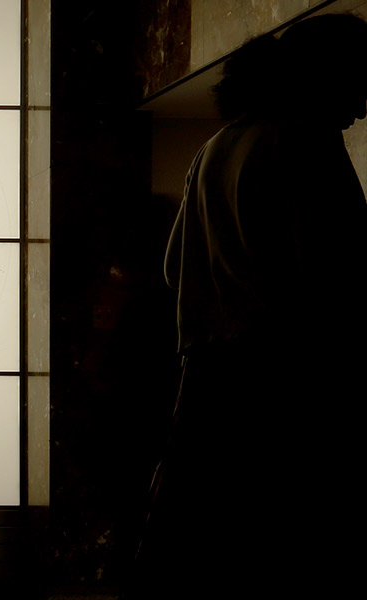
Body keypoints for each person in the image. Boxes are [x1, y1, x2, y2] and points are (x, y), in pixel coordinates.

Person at [153, 13, 367, 599]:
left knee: (204, 545)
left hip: (204, 379)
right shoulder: (305, 142)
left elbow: (173, 268)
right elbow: (337, 276)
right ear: (324, 77)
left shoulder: (215, 147)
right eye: (358, 82)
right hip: (284, 381)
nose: (362, 106)